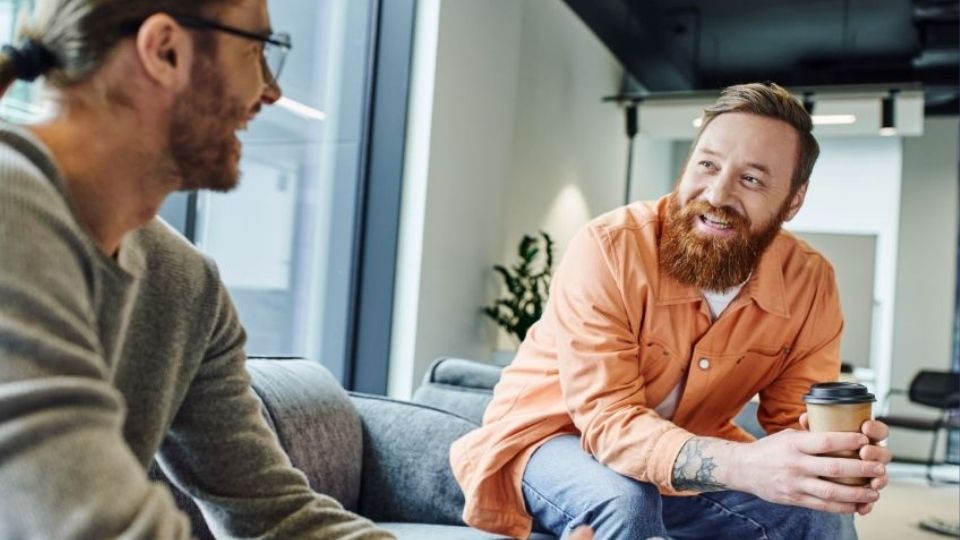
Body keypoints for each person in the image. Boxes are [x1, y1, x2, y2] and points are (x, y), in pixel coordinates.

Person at [0, 1, 393, 537]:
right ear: (164, 50)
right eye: (257, 51)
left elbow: (276, 515)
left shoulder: (186, 285)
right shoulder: (10, 207)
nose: (271, 92)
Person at [450, 82, 893, 539]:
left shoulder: (810, 283)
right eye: (707, 164)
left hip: (682, 461)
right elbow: (607, 421)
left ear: (793, 201)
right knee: (625, 500)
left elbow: (793, 421)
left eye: (752, 179)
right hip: (547, 442)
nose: (717, 194)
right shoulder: (609, 248)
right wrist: (741, 463)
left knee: (817, 511)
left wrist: (833, 457)